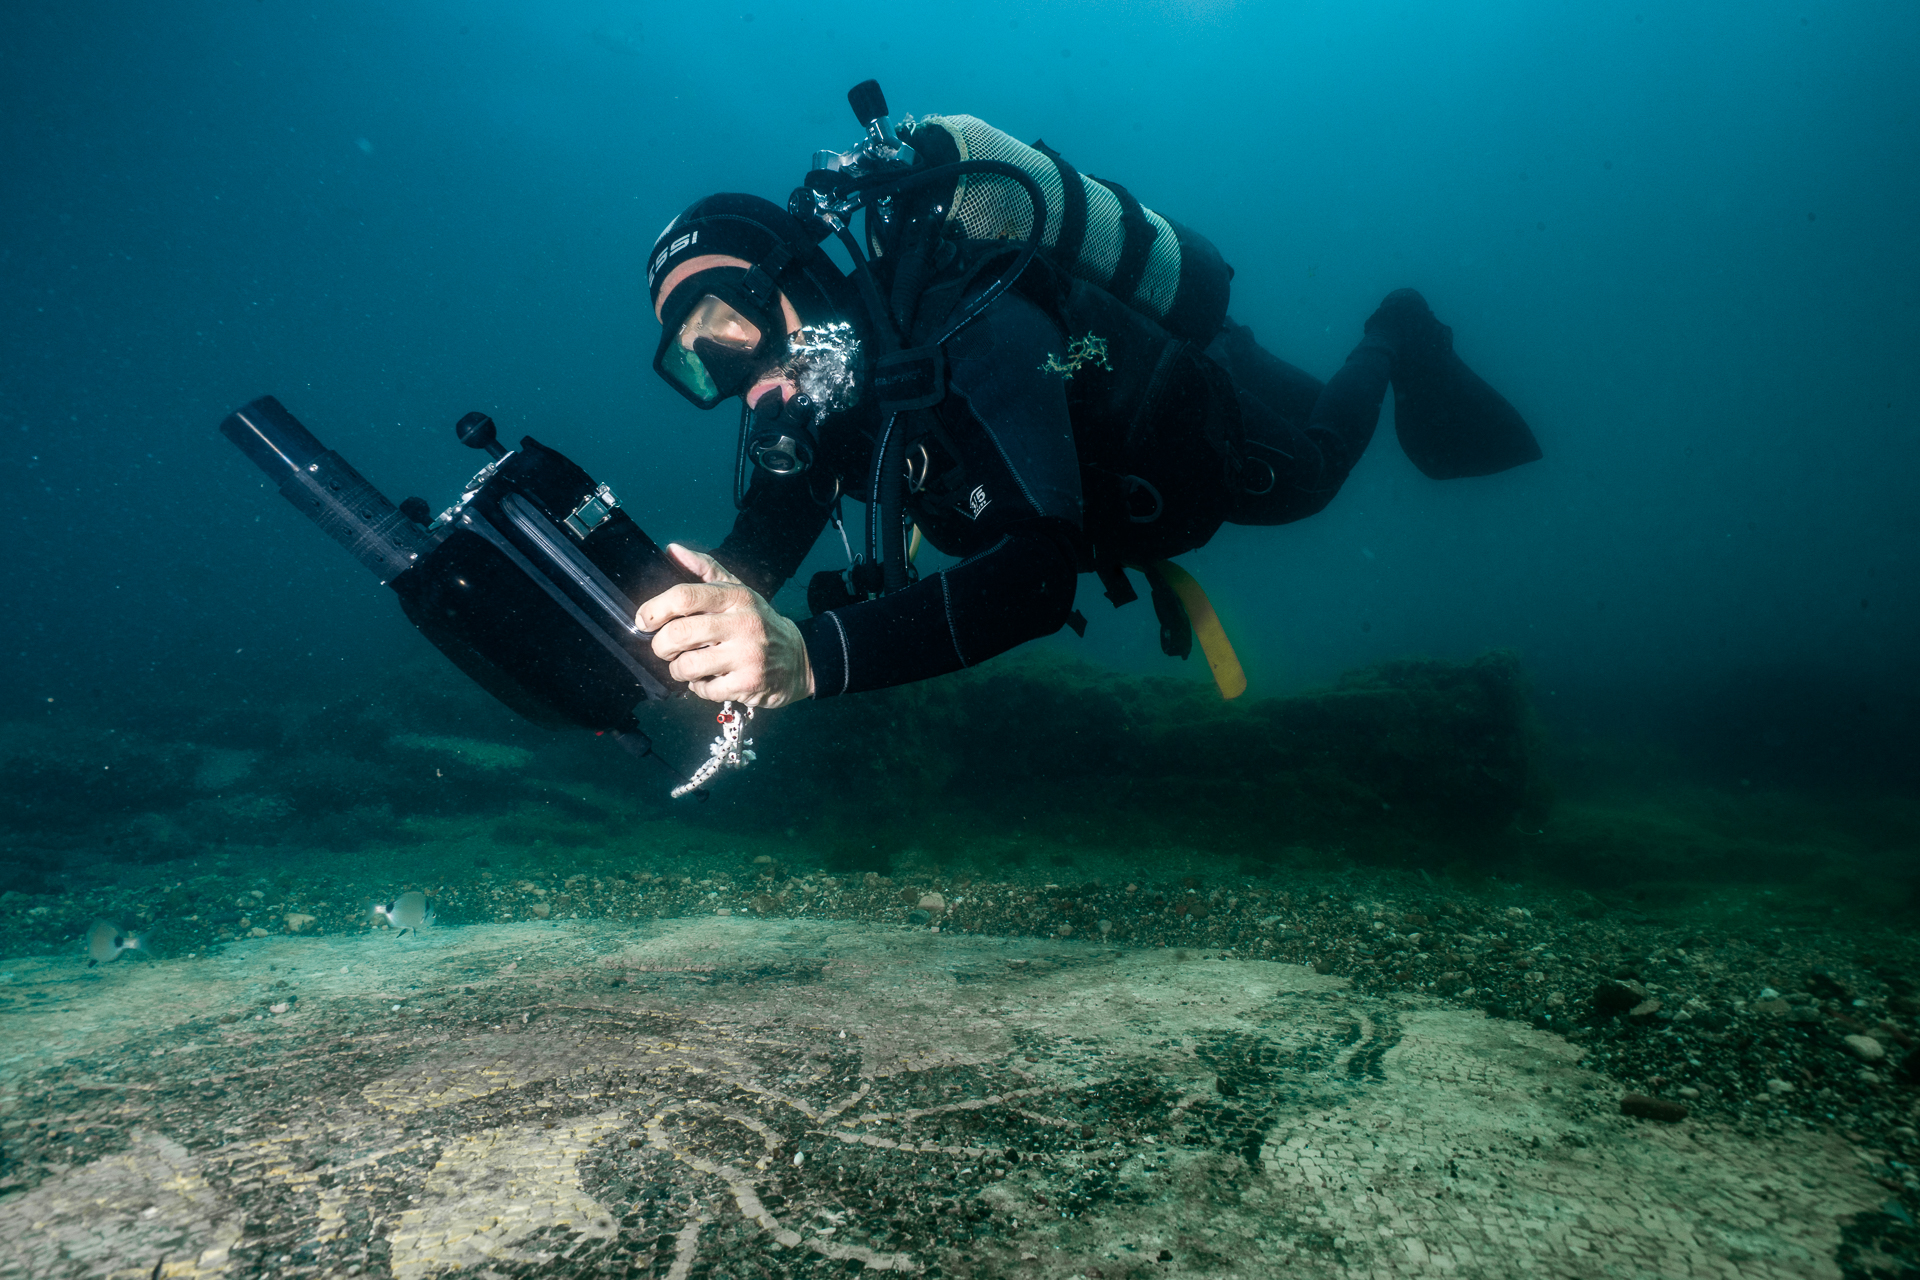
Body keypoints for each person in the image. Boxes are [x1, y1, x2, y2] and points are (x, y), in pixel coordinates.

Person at [633, 121, 1540, 710]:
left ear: (796, 283)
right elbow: (753, 553)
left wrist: (809, 657)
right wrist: (651, 638)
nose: (739, 380)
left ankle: (1392, 328)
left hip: (1189, 423)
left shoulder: (972, 322)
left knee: (1309, 476)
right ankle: (1319, 344)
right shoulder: (827, 397)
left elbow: (1035, 580)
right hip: (1124, 465)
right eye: (699, 364)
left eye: (734, 325)